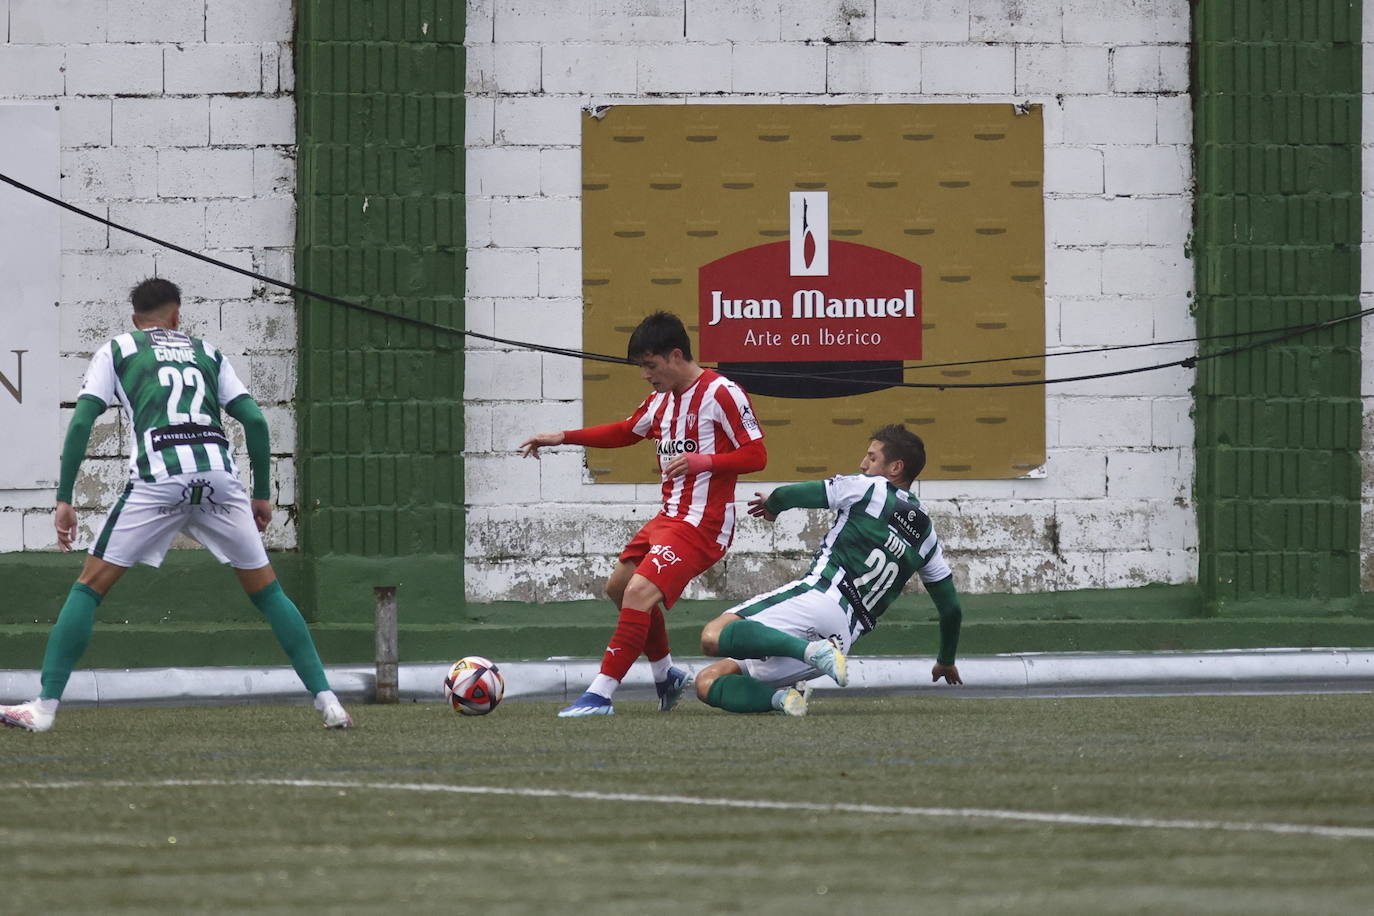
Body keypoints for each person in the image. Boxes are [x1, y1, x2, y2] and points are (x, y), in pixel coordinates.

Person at [0, 278, 353, 733]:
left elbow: (84, 419)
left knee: (88, 588)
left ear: (135, 320)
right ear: (177, 316)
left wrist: (65, 497)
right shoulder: (207, 352)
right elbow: (256, 422)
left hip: (159, 479)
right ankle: (329, 702)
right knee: (269, 594)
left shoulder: (120, 349)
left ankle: (45, 707)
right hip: (218, 481)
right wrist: (261, 494)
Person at [520, 311, 767, 717]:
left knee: (638, 592)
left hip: (703, 522)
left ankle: (599, 695)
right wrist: (563, 437)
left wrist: (704, 461)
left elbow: (757, 455)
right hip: (668, 517)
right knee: (619, 588)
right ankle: (666, 674)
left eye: (650, 366)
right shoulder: (661, 400)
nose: (645, 375)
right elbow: (624, 431)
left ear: (675, 356)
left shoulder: (722, 393)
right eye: (642, 367)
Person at [694, 424, 962, 716]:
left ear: (895, 467)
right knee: (708, 681)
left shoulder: (870, 488)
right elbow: (951, 610)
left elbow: (791, 494)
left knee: (714, 635)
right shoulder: (927, 537)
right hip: (843, 637)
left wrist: (772, 506)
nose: (863, 464)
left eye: (872, 458)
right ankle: (783, 700)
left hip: (822, 596)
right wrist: (946, 660)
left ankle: (811, 652)